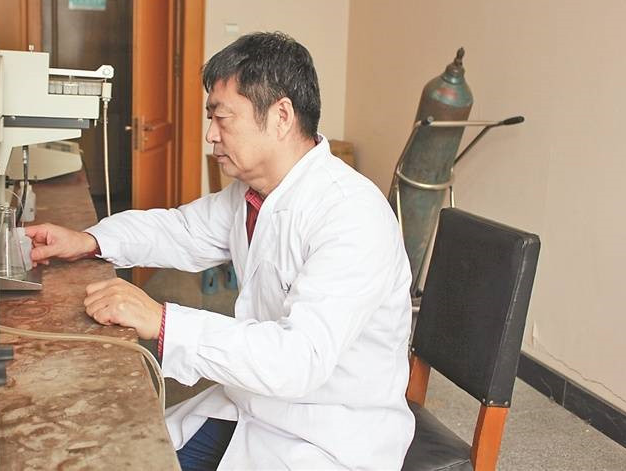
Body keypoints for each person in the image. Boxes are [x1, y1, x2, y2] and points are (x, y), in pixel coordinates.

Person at [25, 32, 414, 470]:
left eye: (222, 118)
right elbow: (180, 230)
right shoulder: (254, 193)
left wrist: (163, 321)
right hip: (256, 408)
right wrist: (91, 240)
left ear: (281, 116)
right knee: (125, 458)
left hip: (327, 437)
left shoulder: (351, 215)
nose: (211, 135)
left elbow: (299, 360)